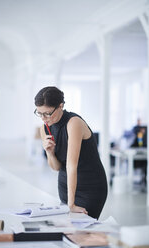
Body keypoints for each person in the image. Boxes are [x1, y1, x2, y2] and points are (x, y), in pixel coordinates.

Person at [34, 86, 108, 219]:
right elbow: (56, 167)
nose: (43, 118)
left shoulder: (74, 123)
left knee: (83, 233)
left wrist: (71, 204)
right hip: (66, 187)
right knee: (70, 231)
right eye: (39, 113)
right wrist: (50, 153)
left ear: (60, 106)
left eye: (47, 113)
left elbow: (71, 165)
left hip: (90, 187)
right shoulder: (44, 129)